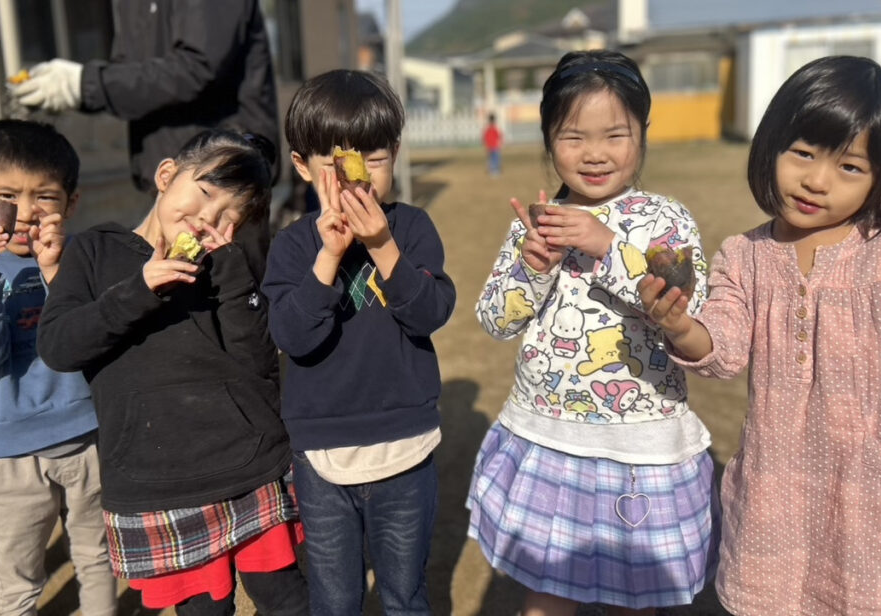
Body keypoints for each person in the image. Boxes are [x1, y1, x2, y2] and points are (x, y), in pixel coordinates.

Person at [638, 55, 881, 615]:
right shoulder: (747, 255)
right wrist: (681, 324)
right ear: (772, 144)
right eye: (802, 152)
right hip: (779, 492)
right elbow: (723, 348)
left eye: (850, 167)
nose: (816, 180)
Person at [468, 50, 719, 616]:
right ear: (548, 138)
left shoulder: (664, 218)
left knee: (637, 599)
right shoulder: (536, 221)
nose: (595, 154)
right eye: (574, 136)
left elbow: (687, 309)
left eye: (615, 134)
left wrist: (607, 245)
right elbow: (495, 320)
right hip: (550, 438)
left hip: (639, 446)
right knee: (547, 593)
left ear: (643, 135)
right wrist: (533, 266)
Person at [36, 129, 309, 615]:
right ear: (166, 175)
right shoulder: (94, 253)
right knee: (204, 610)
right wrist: (137, 290)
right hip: (156, 480)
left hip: (248, 462)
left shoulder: (228, 268)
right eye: (205, 194)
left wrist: (229, 271)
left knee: (285, 598)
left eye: (229, 215)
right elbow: (60, 347)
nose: (208, 218)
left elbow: (259, 362)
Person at [261, 69, 456, 615]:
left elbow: (430, 313)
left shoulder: (412, 229)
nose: (357, 178)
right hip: (323, 454)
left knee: (403, 594)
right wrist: (328, 257)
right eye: (336, 164)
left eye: (373, 159)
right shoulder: (295, 247)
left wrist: (382, 246)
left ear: (394, 154)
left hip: (405, 443)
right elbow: (292, 336)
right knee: (335, 598)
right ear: (303, 166)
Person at [0, 118, 116, 614]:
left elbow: (92, 339)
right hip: (6, 454)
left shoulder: (82, 257)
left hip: (86, 436)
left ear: (71, 203)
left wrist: (58, 273)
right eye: (6, 196)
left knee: (98, 558)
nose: (27, 213)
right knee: (15, 579)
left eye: (46, 197)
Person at [9, 0, 279, 193]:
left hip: (223, 180)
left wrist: (84, 84)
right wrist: (74, 92)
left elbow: (197, 68)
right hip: (169, 174)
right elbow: (135, 77)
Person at [483, 112, 502, 176]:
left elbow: (498, 136)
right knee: (493, 158)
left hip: (493, 146)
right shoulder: (491, 128)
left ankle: (494, 170)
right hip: (493, 146)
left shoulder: (490, 128)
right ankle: (494, 170)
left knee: (493, 158)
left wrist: (486, 144)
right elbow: (499, 136)